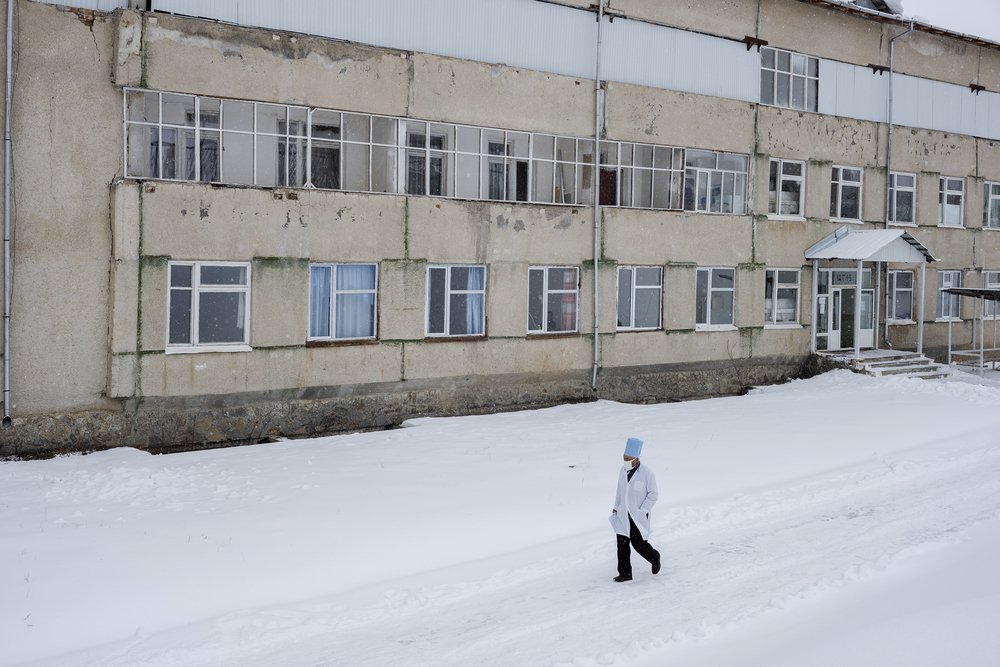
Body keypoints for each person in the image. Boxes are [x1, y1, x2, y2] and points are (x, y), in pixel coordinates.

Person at [610, 436, 661, 582]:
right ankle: (625, 573)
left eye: (629, 458)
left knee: (638, 544)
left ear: (636, 458)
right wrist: (615, 507)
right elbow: (619, 491)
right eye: (624, 457)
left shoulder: (647, 473)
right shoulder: (622, 471)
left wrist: (642, 510)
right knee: (622, 543)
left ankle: (655, 557)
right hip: (622, 514)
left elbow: (653, 494)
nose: (625, 460)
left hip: (637, 516)